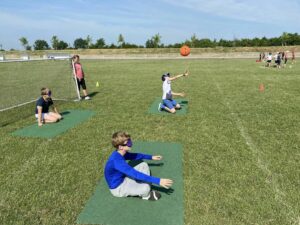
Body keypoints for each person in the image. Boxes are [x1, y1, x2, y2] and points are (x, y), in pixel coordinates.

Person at [104, 131, 173, 201]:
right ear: (121, 147)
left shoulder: (120, 153)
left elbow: (134, 156)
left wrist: (151, 157)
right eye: (128, 142)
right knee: (146, 188)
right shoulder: (117, 161)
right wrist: (158, 181)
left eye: (129, 140)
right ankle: (146, 196)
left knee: (143, 165)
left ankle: (140, 183)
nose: (130, 143)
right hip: (119, 188)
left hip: (123, 177)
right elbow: (135, 174)